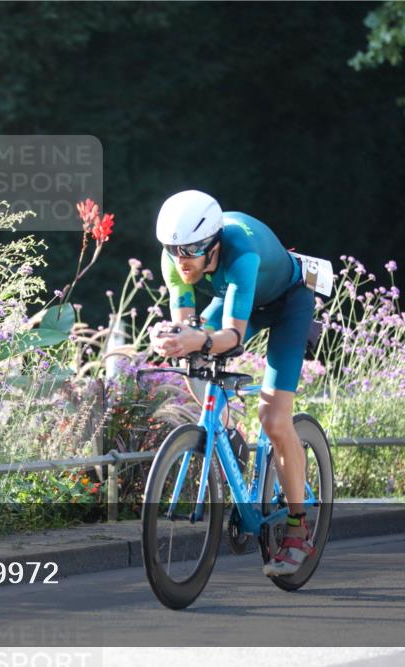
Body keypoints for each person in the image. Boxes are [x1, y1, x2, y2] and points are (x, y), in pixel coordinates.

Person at [148, 190, 316, 577]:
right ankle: (227, 434)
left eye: (191, 250)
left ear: (214, 243)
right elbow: (188, 326)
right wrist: (174, 337)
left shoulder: (241, 252)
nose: (181, 260)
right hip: (240, 299)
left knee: (274, 419)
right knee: (194, 361)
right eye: (173, 250)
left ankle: (298, 529)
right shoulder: (174, 258)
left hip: (287, 303)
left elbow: (233, 337)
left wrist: (200, 339)